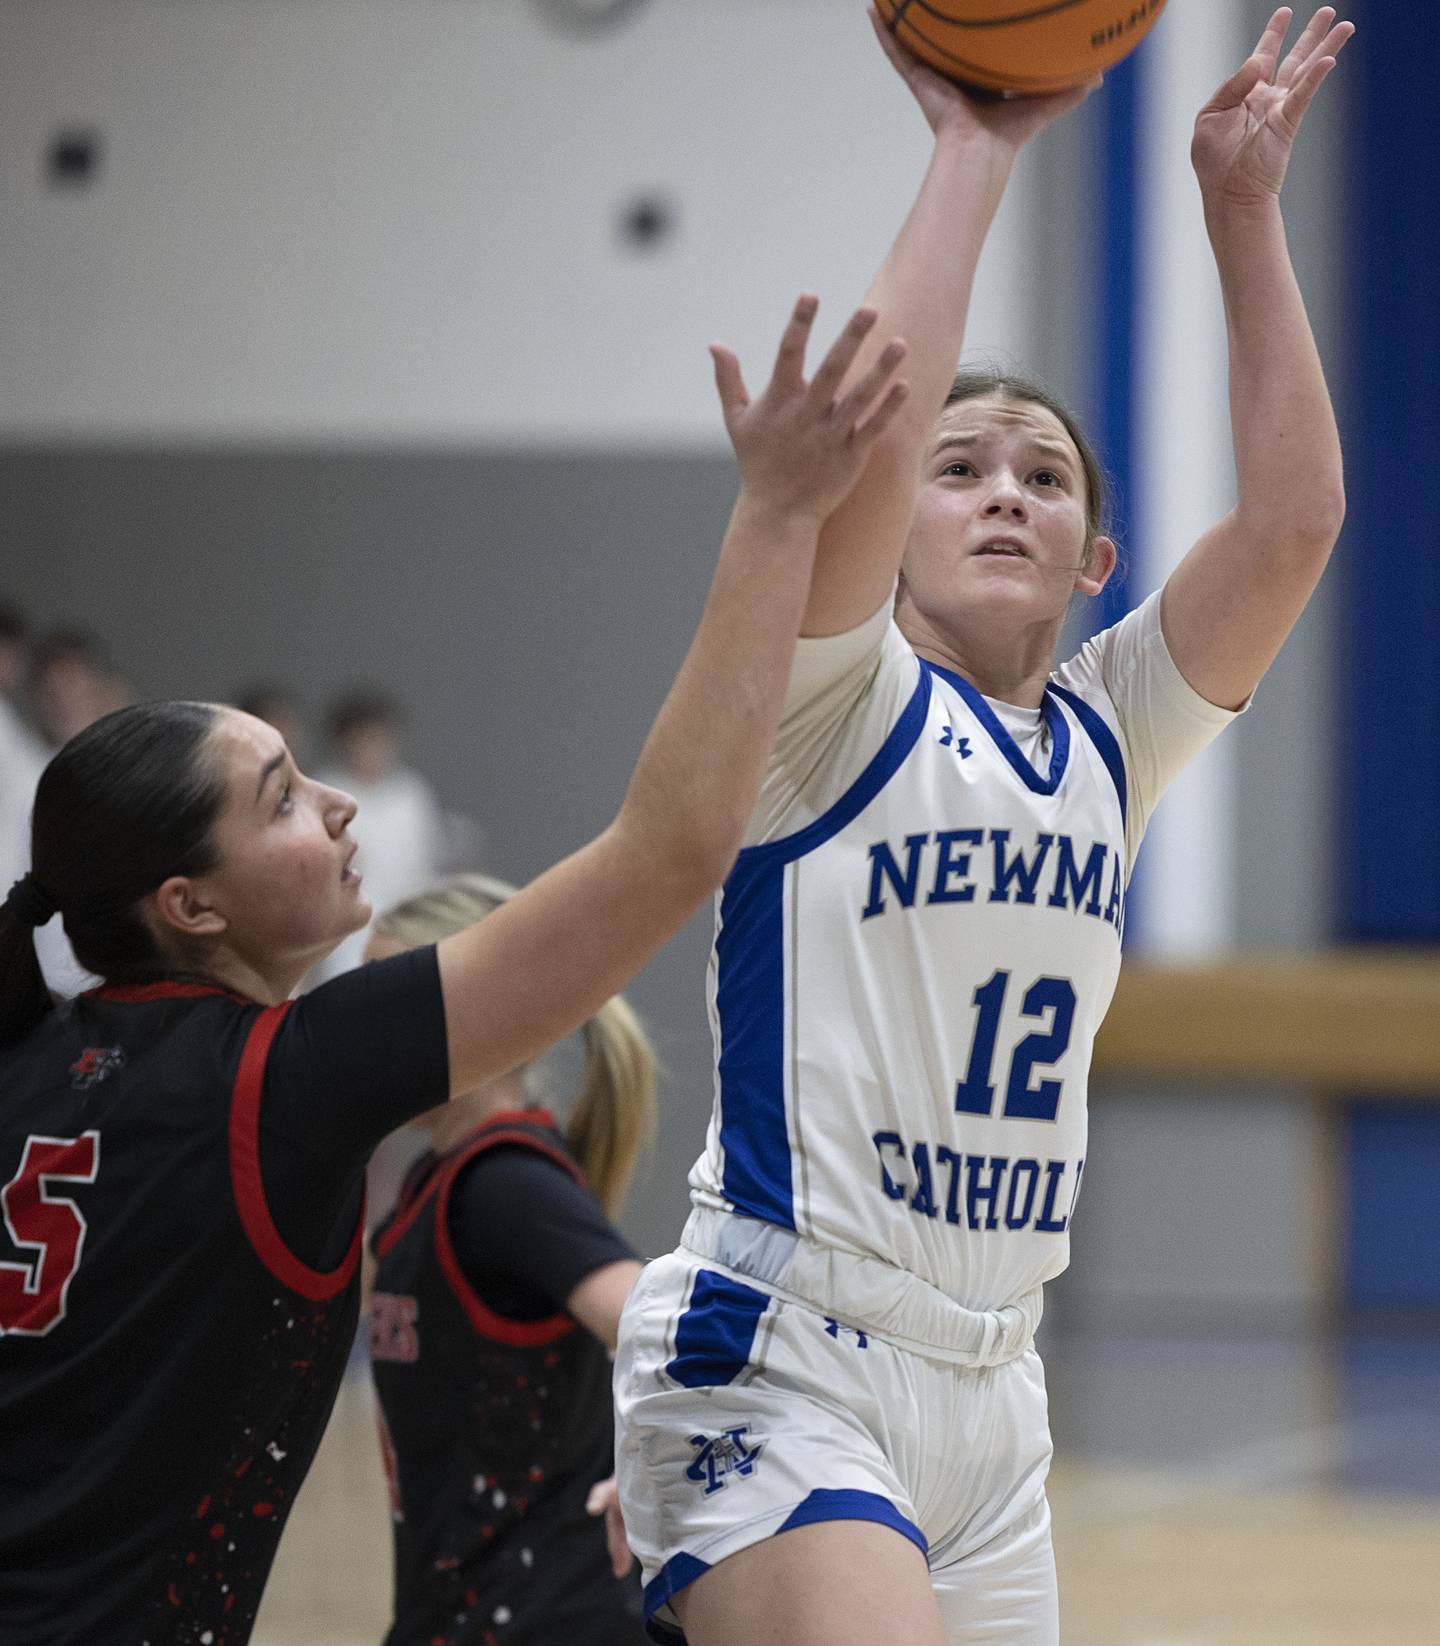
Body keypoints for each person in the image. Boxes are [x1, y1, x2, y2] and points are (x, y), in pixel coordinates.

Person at [0, 297, 911, 1645]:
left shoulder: (34, 1054)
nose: (341, 807)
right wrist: (777, 517)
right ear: (188, 902)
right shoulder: (283, 1078)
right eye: (284, 799)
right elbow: (668, 851)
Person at [612, 10, 1353, 1645]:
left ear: (1100, 554)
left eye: (1041, 473)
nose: (1004, 490)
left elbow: (1297, 518)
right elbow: (860, 451)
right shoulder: (835, 698)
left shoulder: (1112, 733)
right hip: (787, 1348)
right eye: (960, 469)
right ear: (898, 522)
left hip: (996, 1391)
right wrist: (974, 147)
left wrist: (1242, 210)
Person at [365, 873, 652, 1645]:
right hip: (465, 1613)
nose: (367, 1032)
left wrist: (660, 1456)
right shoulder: (440, 1178)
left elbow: (656, 1328)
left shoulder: (505, 1186)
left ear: (496, 1004)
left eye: (391, 1005)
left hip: (550, 1619)